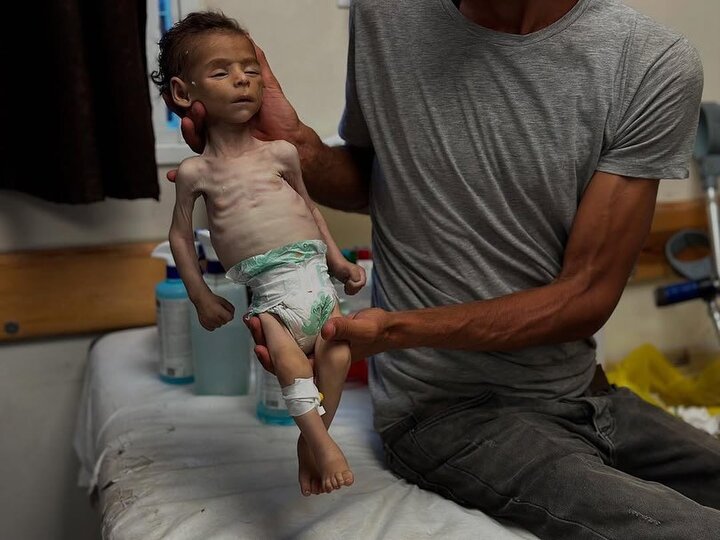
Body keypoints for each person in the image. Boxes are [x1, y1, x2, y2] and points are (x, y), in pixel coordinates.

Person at [169, 0, 720, 537]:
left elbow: (585, 295)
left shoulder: (648, 61)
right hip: (444, 412)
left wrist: (392, 332)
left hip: (581, 391)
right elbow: (382, 180)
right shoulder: (385, 12)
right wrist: (297, 146)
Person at [152, 11, 366, 496]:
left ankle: (314, 440)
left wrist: (337, 261)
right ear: (184, 93)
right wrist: (201, 296)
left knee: (336, 355)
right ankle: (322, 445)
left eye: (250, 69)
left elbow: (309, 209)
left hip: (315, 275)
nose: (243, 80)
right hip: (270, 294)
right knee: (292, 364)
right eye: (221, 71)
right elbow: (181, 237)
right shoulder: (196, 173)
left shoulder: (281, 153)